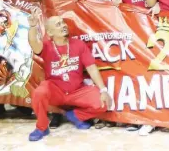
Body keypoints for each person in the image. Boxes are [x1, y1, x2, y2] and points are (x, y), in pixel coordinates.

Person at [27, 10, 112, 141]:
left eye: (63, 23)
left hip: (76, 91)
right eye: (58, 25)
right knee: (39, 92)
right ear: (50, 33)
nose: (63, 25)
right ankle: (42, 127)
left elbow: (92, 68)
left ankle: (75, 116)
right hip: (56, 91)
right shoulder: (46, 46)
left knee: (103, 103)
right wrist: (33, 26)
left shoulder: (78, 44)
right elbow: (33, 42)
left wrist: (103, 90)